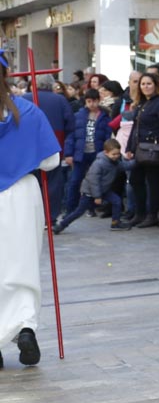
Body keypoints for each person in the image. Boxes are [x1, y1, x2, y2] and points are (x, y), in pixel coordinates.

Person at [0, 53, 61, 369]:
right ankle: (25, 327)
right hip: (22, 193)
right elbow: (50, 161)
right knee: (22, 265)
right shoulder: (27, 110)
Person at [123, 72, 159, 228]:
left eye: (149, 83)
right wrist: (130, 147)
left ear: (155, 85)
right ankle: (140, 213)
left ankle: (152, 215)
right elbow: (135, 128)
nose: (146, 87)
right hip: (139, 149)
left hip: (153, 150)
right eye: (143, 84)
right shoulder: (141, 103)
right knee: (136, 180)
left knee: (153, 183)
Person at [54, 138, 126, 232]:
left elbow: (125, 166)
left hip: (103, 190)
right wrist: (97, 196)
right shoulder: (99, 163)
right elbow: (94, 181)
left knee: (117, 201)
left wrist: (137, 161)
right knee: (79, 211)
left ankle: (115, 223)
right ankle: (62, 225)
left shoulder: (114, 162)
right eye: (114, 154)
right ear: (106, 152)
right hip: (90, 191)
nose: (116, 156)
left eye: (118, 154)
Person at [30, 74, 73, 219]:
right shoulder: (60, 100)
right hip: (54, 146)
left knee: (32, 182)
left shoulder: (25, 99)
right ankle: (51, 216)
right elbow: (70, 125)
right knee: (53, 183)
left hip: (31, 148)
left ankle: (35, 216)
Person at [63, 89, 111, 217]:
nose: (92, 104)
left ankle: (92, 207)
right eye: (89, 101)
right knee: (75, 181)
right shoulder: (78, 115)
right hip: (81, 153)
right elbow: (71, 135)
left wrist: (106, 151)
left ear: (98, 101)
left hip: (97, 152)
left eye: (94, 101)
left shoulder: (104, 117)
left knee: (94, 180)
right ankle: (70, 208)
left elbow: (107, 135)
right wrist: (68, 153)